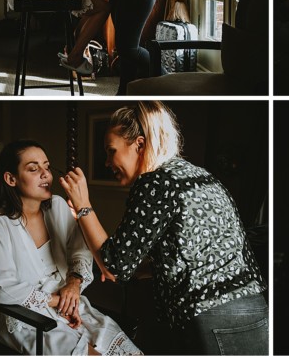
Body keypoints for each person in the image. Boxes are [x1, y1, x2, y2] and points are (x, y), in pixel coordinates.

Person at [59, 101, 268, 355]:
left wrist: (83, 205)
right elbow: (191, 254)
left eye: (111, 151)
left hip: (210, 314)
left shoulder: (155, 183)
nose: (106, 162)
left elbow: (114, 265)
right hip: (253, 307)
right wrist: (131, 268)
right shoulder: (199, 176)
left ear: (139, 144)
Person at [0, 140, 142, 355]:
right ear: (11, 178)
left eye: (46, 167)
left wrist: (73, 284)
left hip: (70, 304)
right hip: (26, 319)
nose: (45, 174)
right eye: (33, 168)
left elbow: (80, 250)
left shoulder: (57, 206)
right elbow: (0, 286)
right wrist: (56, 301)